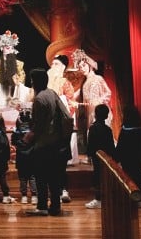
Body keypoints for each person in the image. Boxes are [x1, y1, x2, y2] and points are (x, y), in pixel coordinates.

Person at [26, 67, 71, 217]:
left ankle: (42, 206)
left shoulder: (39, 99)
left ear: (36, 82)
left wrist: (29, 136)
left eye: (32, 81)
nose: (31, 83)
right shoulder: (52, 93)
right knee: (54, 177)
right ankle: (55, 206)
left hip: (43, 143)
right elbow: (65, 115)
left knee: (40, 177)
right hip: (56, 142)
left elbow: (39, 125)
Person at [74, 48, 112, 163]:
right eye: (80, 67)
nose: (82, 69)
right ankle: (93, 158)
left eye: (84, 66)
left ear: (89, 65)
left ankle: (107, 159)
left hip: (99, 111)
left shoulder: (98, 78)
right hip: (90, 112)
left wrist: (99, 101)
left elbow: (108, 93)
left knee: (101, 136)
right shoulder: (84, 83)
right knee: (92, 135)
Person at [47, 54, 75, 202]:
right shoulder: (46, 83)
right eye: (52, 64)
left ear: (63, 67)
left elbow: (71, 103)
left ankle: (64, 190)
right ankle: (53, 191)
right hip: (48, 129)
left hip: (61, 127)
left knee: (60, 165)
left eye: (56, 64)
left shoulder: (65, 82)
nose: (53, 67)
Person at [85, 104, 115, 209]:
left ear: (95, 115)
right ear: (106, 116)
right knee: (105, 178)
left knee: (97, 178)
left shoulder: (93, 128)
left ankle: (98, 199)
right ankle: (106, 198)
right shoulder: (108, 130)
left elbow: (90, 144)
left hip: (96, 157)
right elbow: (111, 146)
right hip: (106, 158)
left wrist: (89, 155)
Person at [0, 30, 25, 108]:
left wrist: (16, 86)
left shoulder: (19, 65)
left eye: (11, 48)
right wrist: (0, 92)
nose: (9, 50)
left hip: (15, 97)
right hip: (0, 96)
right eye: (6, 47)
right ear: (1, 48)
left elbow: (21, 81)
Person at [116, 105, 141, 206]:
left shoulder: (125, 131)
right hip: (137, 158)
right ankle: (140, 198)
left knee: (127, 177)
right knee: (138, 176)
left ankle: (129, 197)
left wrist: (117, 158)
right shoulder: (140, 130)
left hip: (127, 158)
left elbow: (120, 146)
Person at [12, 109, 37, 204]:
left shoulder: (16, 131)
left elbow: (13, 142)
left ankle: (24, 197)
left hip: (21, 158)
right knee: (32, 177)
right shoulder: (33, 131)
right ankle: (34, 196)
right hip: (32, 157)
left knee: (22, 178)